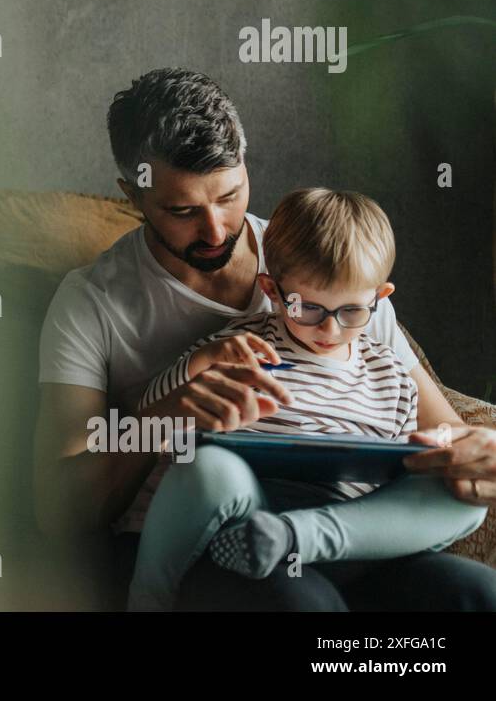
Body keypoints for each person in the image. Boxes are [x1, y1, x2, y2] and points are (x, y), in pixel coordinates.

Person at [33, 68, 496, 611]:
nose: (215, 230)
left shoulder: (325, 259)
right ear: (132, 194)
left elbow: (447, 431)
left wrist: (478, 455)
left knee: (474, 594)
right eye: (182, 211)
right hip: (215, 530)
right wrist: (167, 415)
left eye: (229, 196)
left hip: (344, 532)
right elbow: (60, 511)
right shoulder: (91, 301)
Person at [126, 188, 485, 610]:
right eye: (308, 308)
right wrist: (201, 364)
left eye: (351, 312)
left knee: (463, 491)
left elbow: (401, 477)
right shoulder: (240, 349)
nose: (329, 330)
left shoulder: (392, 377)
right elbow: (153, 414)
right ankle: (149, 598)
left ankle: (298, 535)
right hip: (250, 521)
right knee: (206, 467)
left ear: (380, 297)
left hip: (348, 533)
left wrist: (430, 458)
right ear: (272, 290)